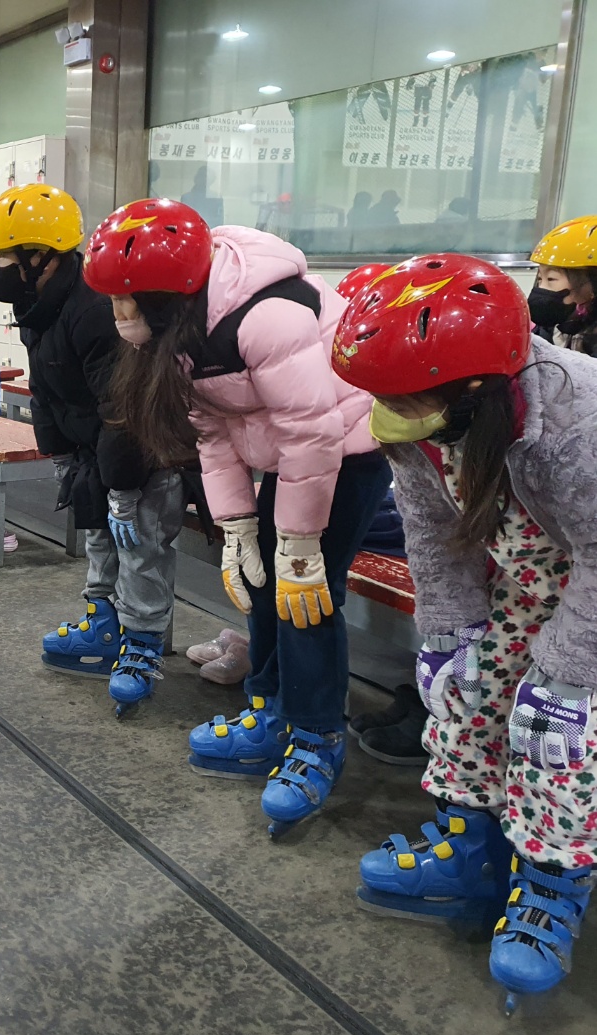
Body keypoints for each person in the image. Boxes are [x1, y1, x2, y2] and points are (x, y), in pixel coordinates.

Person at [332, 254, 597, 1011]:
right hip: (522, 583)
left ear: (479, 386)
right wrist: (447, 632)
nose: (387, 409)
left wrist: (566, 676)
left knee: (558, 739)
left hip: (587, 593)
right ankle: (470, 850)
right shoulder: (418, 410)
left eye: (401, 398)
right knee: (469, 697)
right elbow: (428, 524)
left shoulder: (574, 423)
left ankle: (550, 884)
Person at [83, 198, 389, 836]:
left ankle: (315, 737)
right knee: (261, 582)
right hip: (285, 454)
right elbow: (212, 430)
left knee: (306, 595)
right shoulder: (177, 335)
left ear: (168, 295)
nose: (116, 318)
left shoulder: (265, 317)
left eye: (124, 303)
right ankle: (270, 706)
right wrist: (238, 526)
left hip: (344, 448)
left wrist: (300, 543)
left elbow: (313, 434)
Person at [0, 183, 183, 714]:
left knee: (141, 546)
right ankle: (104, 619)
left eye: (5, 256)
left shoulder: (93, 309)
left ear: (40, 256)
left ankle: (143, 642)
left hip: (141, 450)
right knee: (99, 537)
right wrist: (64, 454)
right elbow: (46, 389)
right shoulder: (39, 302)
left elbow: (123, 409)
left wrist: (122, 487)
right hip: (98, 448)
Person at [528, 214, 597, 353]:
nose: (541, 288)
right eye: (540, 279)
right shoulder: (553, 329)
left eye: (551, 279)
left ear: (592, 285)